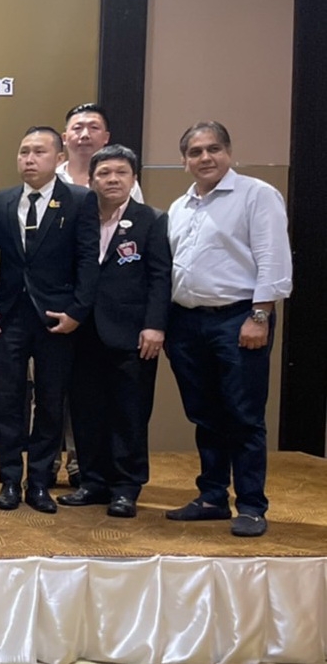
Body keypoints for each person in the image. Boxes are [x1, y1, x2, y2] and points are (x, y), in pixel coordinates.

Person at [164, 121, 291, 538]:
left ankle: (251, 505)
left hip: (239, 318)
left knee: (244, 414)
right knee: (205, 413)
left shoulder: (256, 195)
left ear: (229, 152)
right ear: (184, 161)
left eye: (213, 149)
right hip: (187, 322)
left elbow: (273, 258)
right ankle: (212, 496)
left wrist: (260, 315)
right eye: (195, 152)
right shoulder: (181, 207)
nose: (205, 158)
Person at [0, 127, 99, 514]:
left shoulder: (80, 200)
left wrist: (77, 311)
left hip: (57, 318)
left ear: (58, 157)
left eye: (38, 152)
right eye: (23, 152)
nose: (29, 159)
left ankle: (37, 482)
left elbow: (88, 259)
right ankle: (8, 480)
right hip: (8, 316)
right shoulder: (1, 200)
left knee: (51, 402)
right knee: (7, 402)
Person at [60, 145, 170, 518]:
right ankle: (92, 482)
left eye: (121, 172)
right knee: (86, 410)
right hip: (83, 332)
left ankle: (125, 487)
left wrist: (155, 325)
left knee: (129, 413)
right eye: (104, 173)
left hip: (133, 333)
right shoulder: (80, 218)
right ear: (91, 180)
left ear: (133, 178)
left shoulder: (151, 220)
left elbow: (160, 277)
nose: (112, 179)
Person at [53, 102, 141, 487]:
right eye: (77, 127)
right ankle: (52, 461)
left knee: (101, 395)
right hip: (61, 305)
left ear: (106, 136)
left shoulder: (122, 180)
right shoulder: (50, 178)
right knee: (56, 390)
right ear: (65, 137)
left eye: (93, 127)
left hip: (109, 312)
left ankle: (87, 465)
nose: (84, 134)